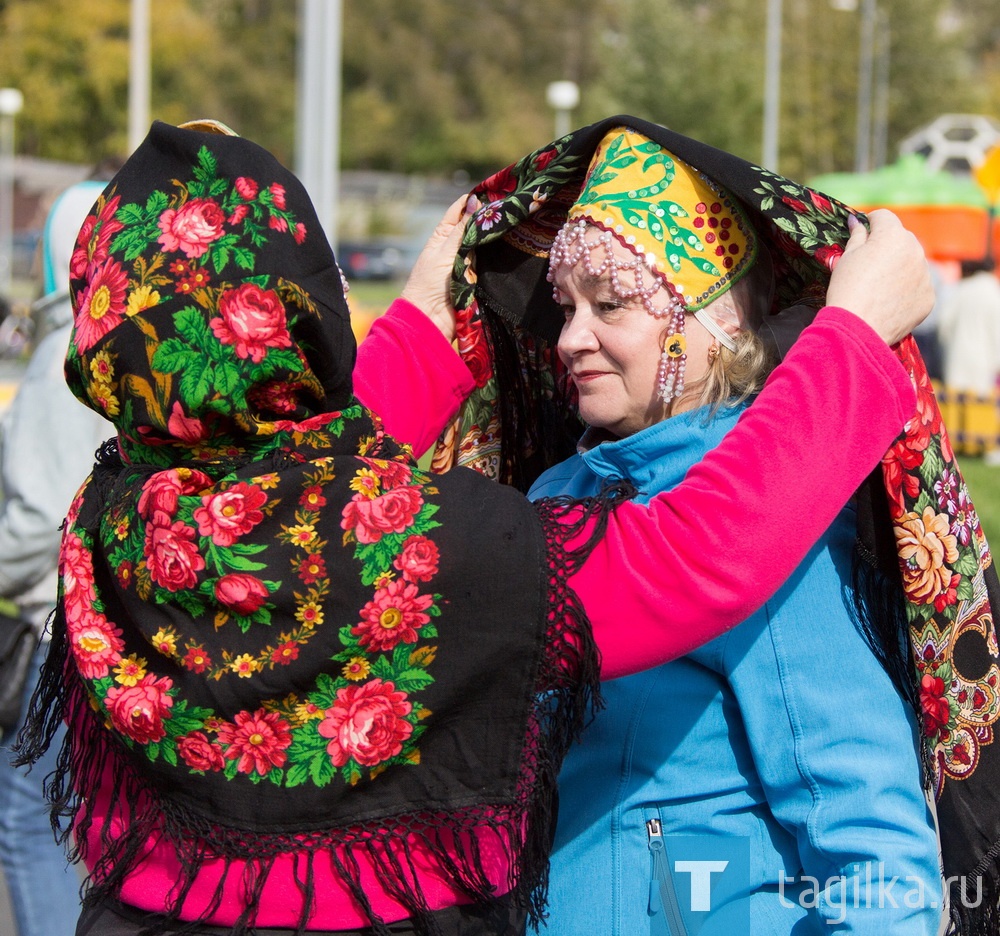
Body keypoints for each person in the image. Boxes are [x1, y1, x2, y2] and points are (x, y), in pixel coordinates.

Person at [15, 120, 933, 936]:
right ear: (294, 320)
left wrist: (418, 331)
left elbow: (301, 503)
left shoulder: (113, 526)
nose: (569, 337)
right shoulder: (462, 542)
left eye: (608, 303)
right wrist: (849, 338)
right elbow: (689, 557)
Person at [379, 118, 1000, 934]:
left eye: (613, 305)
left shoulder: (782, 528)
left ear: (722, 326)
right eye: (566, 305)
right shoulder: (550, 498)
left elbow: (875, 855)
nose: (570, 339)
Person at [0, 180, 113, 936]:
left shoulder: (55, 357)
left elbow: (36, 516)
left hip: (51, 631)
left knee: (25, 818)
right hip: (109, 627)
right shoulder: (123, 350)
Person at [937, 257, 1000, 461]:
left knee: (957, 399)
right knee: (984, 401)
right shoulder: (993, 292)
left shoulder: (961, 290)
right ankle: (987, 448)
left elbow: (944, 323)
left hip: (958, 351)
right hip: (985, 354)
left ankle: (955, 446)